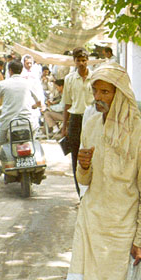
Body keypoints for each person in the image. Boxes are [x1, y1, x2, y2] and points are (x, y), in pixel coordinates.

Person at [62, 62, 141, 280]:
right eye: (96, 91)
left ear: (121, 94)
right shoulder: (91, 125)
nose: (99, 97)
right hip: (91, 221)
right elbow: (85, 181)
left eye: (106, 91)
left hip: (124, 223)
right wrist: (83, 166)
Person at [0, 60, 43, 192]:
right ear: (21, 70)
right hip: (28, 123)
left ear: (9, 70)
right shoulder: (28, 83)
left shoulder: (3, 84)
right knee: (32, 142)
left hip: (8, 123)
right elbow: (38, 101)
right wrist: (33, 106)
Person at [61, 47, 94, 198]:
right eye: (78, 60)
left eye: (84, 60)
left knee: (92, 154)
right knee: (76, 157)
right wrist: (64, 126)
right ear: (74, 61)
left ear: (88, 61)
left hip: (92, 120)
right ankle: (80, 194)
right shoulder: (69, 79)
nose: (81, 63)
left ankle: (91, 193)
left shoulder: (94, 78)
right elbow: (67, 104)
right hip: (75, 120)